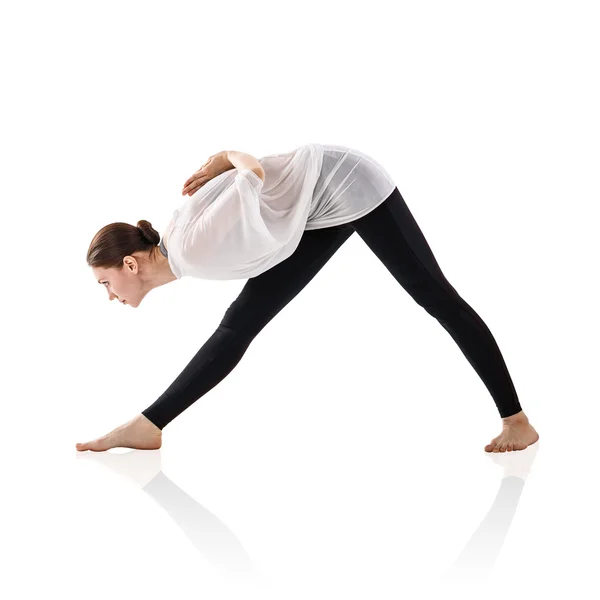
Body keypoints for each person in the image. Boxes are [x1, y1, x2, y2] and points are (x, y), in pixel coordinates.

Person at [77, 143, 539, 454]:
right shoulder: (182, 247)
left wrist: (225, 157)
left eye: (105, 283)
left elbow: (252, 174)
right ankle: (150, 425)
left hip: (347, 182)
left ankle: (516, 420)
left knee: (435, 296)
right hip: (312, 207)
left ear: (131, 265)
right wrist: (230, 162)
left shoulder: (191, 251)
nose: (109, 295)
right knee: (240, 321)